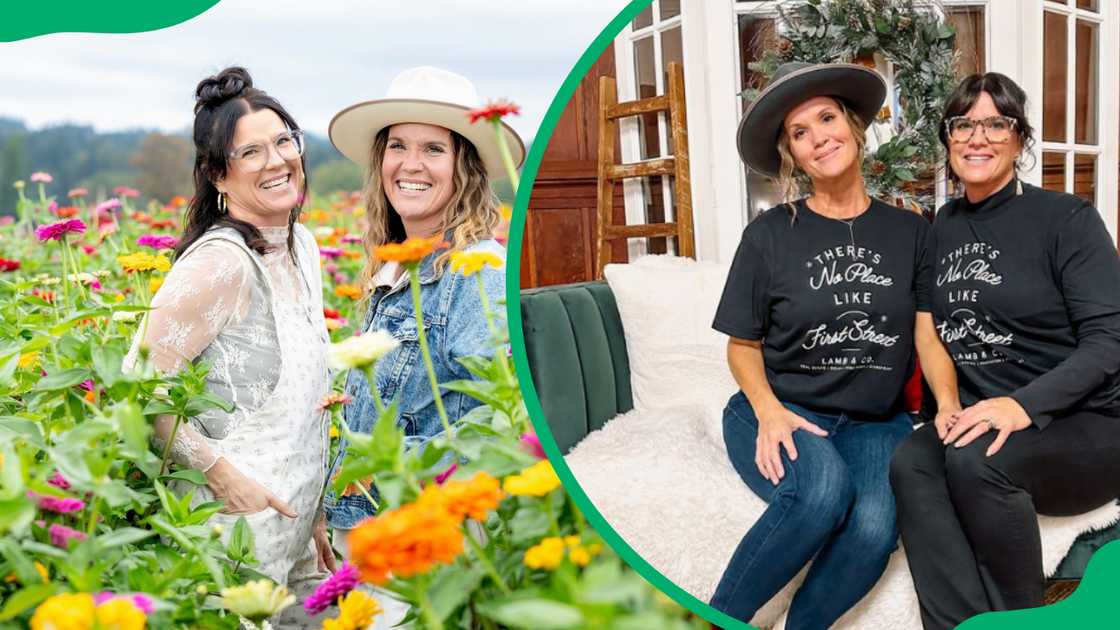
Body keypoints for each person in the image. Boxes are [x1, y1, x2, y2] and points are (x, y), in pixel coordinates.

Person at [709, 62, 959, 628]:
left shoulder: (912, 231)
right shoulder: (771, 234)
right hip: (782, 408)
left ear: (855, 127)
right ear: (792, 156)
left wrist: (946, 405)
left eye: (827, 118)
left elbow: (927, 332)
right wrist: (769, 413)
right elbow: (742, 345)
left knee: (873, 529)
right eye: (800, 133)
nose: (819, 137)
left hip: (877, 423)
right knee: (821, 495)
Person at [889, 72, 1120, 630]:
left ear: (1019, 139)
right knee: (912, 461)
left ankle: (1022, 621)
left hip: (1090, 420)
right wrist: (946, 402)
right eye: (963, 124)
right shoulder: (940, 227)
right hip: (988, 416)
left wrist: (1019, 407)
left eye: (997, 123)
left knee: (975, 462)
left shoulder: (1067, 219)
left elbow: (1110, 341)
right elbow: (932, 331)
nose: (977, 137)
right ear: (947, 139)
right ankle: (962, 625)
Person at [125, 67, 335, 625]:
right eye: (251, 153)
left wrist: (315, 513)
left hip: (293, 530)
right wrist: (221, 474)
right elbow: (138, 381)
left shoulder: (302, 246)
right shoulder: (221, 262)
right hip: (229, 540)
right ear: (218, 175)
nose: (278, 161)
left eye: (284, 142)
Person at [322, 66, 523, 536]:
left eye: (433, 149)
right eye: (398, 146)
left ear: (465, 168)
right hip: (373, 523)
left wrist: (384, 466)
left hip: (426, 531)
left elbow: (500, 425)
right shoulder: (397, 268)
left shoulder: (476, 272)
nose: (410, 165)